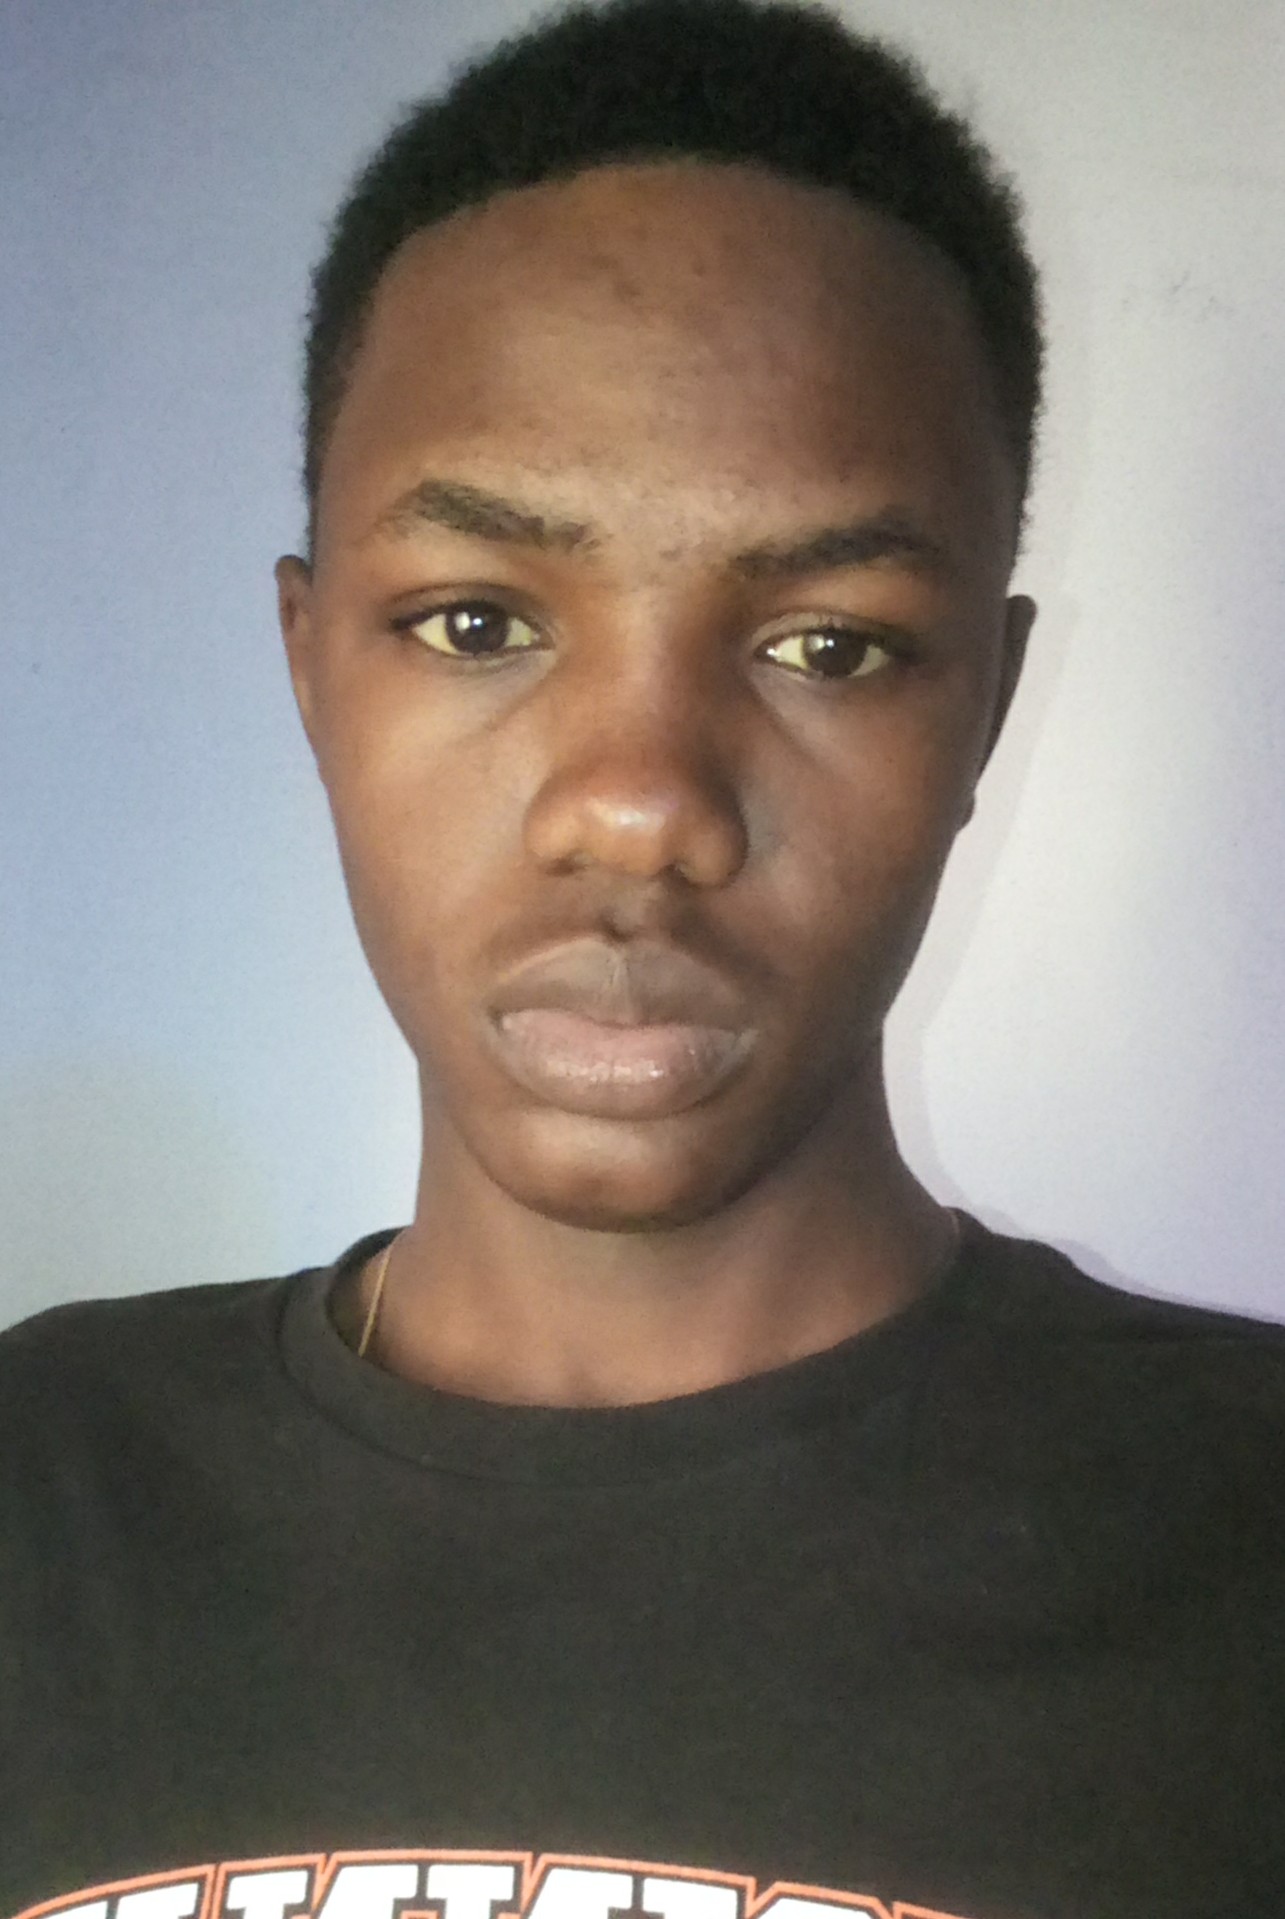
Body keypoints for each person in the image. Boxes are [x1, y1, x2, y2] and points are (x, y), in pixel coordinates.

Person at [2, 1, 1282, 1915]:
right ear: (309, 671)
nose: (637, 805)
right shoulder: (40, 1497)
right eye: (474, 622)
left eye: (827, 645)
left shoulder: (1245, 1554)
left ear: (985, 712)